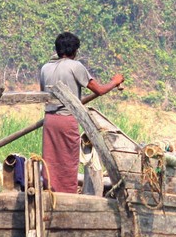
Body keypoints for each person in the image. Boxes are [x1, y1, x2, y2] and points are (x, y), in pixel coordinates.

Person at [39, 32, 124, 193]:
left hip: (49, 120)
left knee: (51, 161)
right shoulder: (75, 66)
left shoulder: (45, 68)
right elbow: (99, 90)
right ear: (74, 51)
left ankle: (51, 192)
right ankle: (67, 195)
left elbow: (44, 94)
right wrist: (115, 81)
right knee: (68, 160)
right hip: (67, 119)